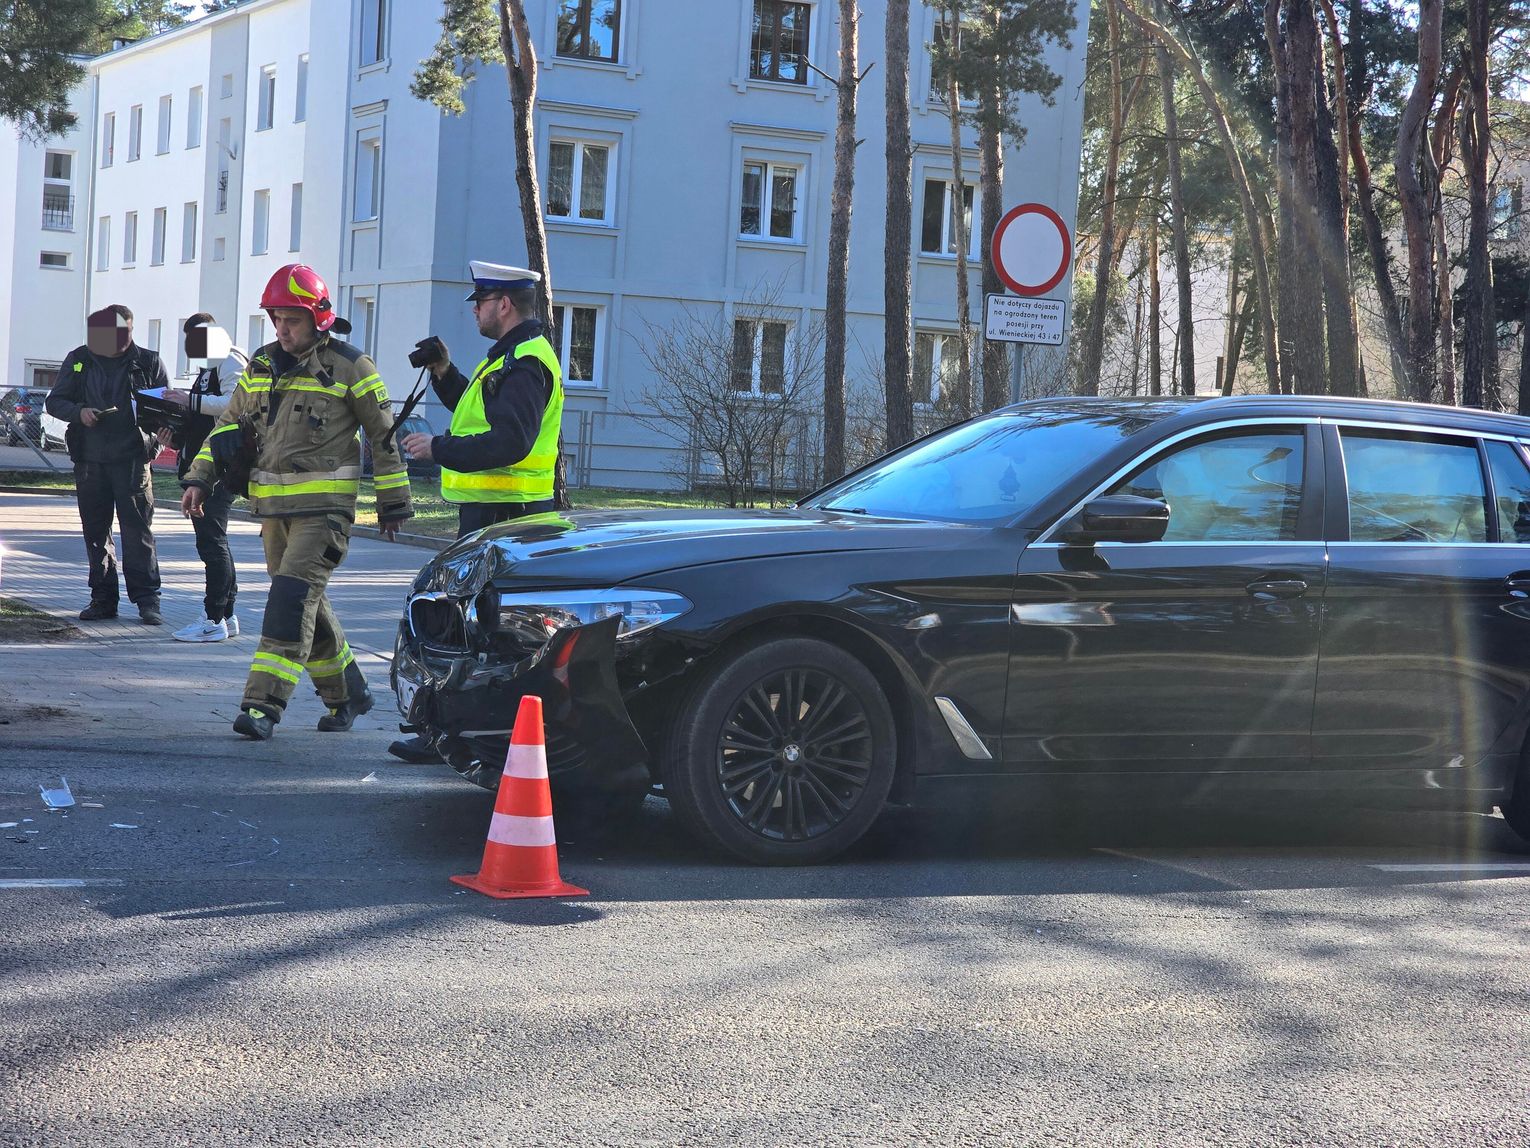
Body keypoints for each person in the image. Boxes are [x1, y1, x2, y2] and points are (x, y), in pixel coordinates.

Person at [181, 264, 413, 741]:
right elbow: (226, 425)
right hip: (272, 513)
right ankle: (348, 693)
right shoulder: (261, 365)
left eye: (292, 320)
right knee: (307, 603)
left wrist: (393, 504)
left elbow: (385, 438)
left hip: (325, 514)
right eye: (276, 320)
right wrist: (200, 479)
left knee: (288, 603)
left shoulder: (352, 367)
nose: (282, 330)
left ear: (318, 318)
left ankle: (262, 705)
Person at [392, 260, 565, 764]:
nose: (475, 311)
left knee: (481, 632)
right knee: (467, 627)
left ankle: (467, 735)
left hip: (507, 518)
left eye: (481, 302)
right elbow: (481, 415)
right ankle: (452, 732)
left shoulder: (526, 363)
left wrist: (438, 448)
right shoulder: (512, 357)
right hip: (497, 514)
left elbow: (509, 441)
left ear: (504, 304)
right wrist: (444, 372)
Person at [44, 304, 168, 625]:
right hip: (91, 460)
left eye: (126, 331)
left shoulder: (148, 362)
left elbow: (165, 410)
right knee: (96, 532)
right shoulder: (79, 359)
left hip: (133, 461)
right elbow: (55, 401)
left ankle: (148, 601)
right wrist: (79, 412)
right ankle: (103, 599)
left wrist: (155, 444)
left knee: (138, 532)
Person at [156, 314, 247, 642]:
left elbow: (235, 404)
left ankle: (213, 618)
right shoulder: (210, 367)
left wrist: (189, 400)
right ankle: (227, 615)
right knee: (215, 540)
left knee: (211, 543)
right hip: (202, 468)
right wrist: (175, 439)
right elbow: (202, 422)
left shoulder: (230, 360)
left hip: (218, 470)